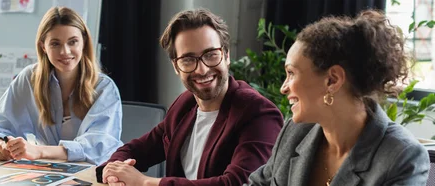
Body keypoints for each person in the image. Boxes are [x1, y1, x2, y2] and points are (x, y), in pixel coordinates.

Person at [97, 9, 284, 186]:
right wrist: (113, 170)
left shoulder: (258, 113)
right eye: (188, 59)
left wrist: (146, 182)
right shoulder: (184, 105)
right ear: (176, 66)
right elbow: (136, 149)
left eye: (211, 55)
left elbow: (237, 183)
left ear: (226, 56)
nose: (202, 69)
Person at [245, 10, 430, 186]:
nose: (283, 88)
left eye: (291, 73)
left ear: (332, 80)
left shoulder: (402, 156)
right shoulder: (295, 132)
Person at [0, 7, 123, 165]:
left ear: (84, 42)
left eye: (73, 42)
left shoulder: (104, 88)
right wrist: (1, 146)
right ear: (43, 47)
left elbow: (96, 146)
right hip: (47, 170)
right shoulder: (28, 78)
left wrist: (38, 151)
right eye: (55, 44)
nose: (65, 51)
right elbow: (0, 125)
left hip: (94, 172)